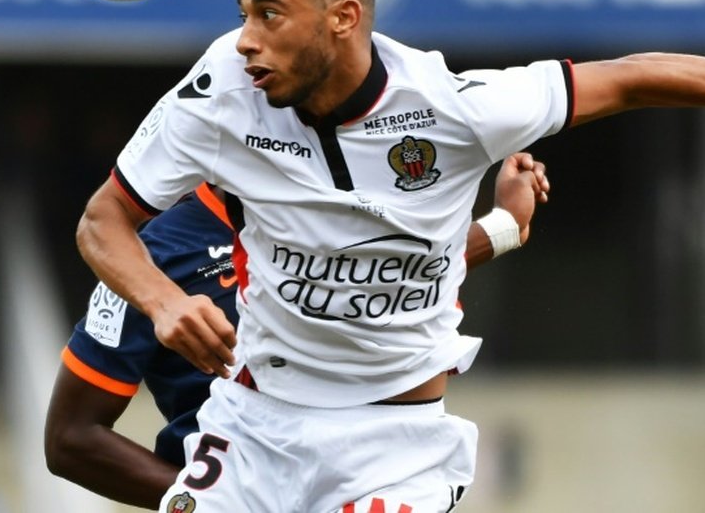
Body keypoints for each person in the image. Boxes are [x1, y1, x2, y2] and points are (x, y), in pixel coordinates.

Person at [74, 0, 705, 513]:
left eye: (270, 12)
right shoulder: (221, 91)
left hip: (390, 440)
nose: (247, 38)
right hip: (255, 426)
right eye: (242, 13)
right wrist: (160, 298)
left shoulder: (456, 109)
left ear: (344, 19)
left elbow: (630, 75)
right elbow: (104, 220)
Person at [46, 153, 549, 509]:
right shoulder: (154, 256)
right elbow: (71, 437)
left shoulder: (352, 214)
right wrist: (204, 502)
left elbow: (413, 269)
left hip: (364, 479)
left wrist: (507, 224)